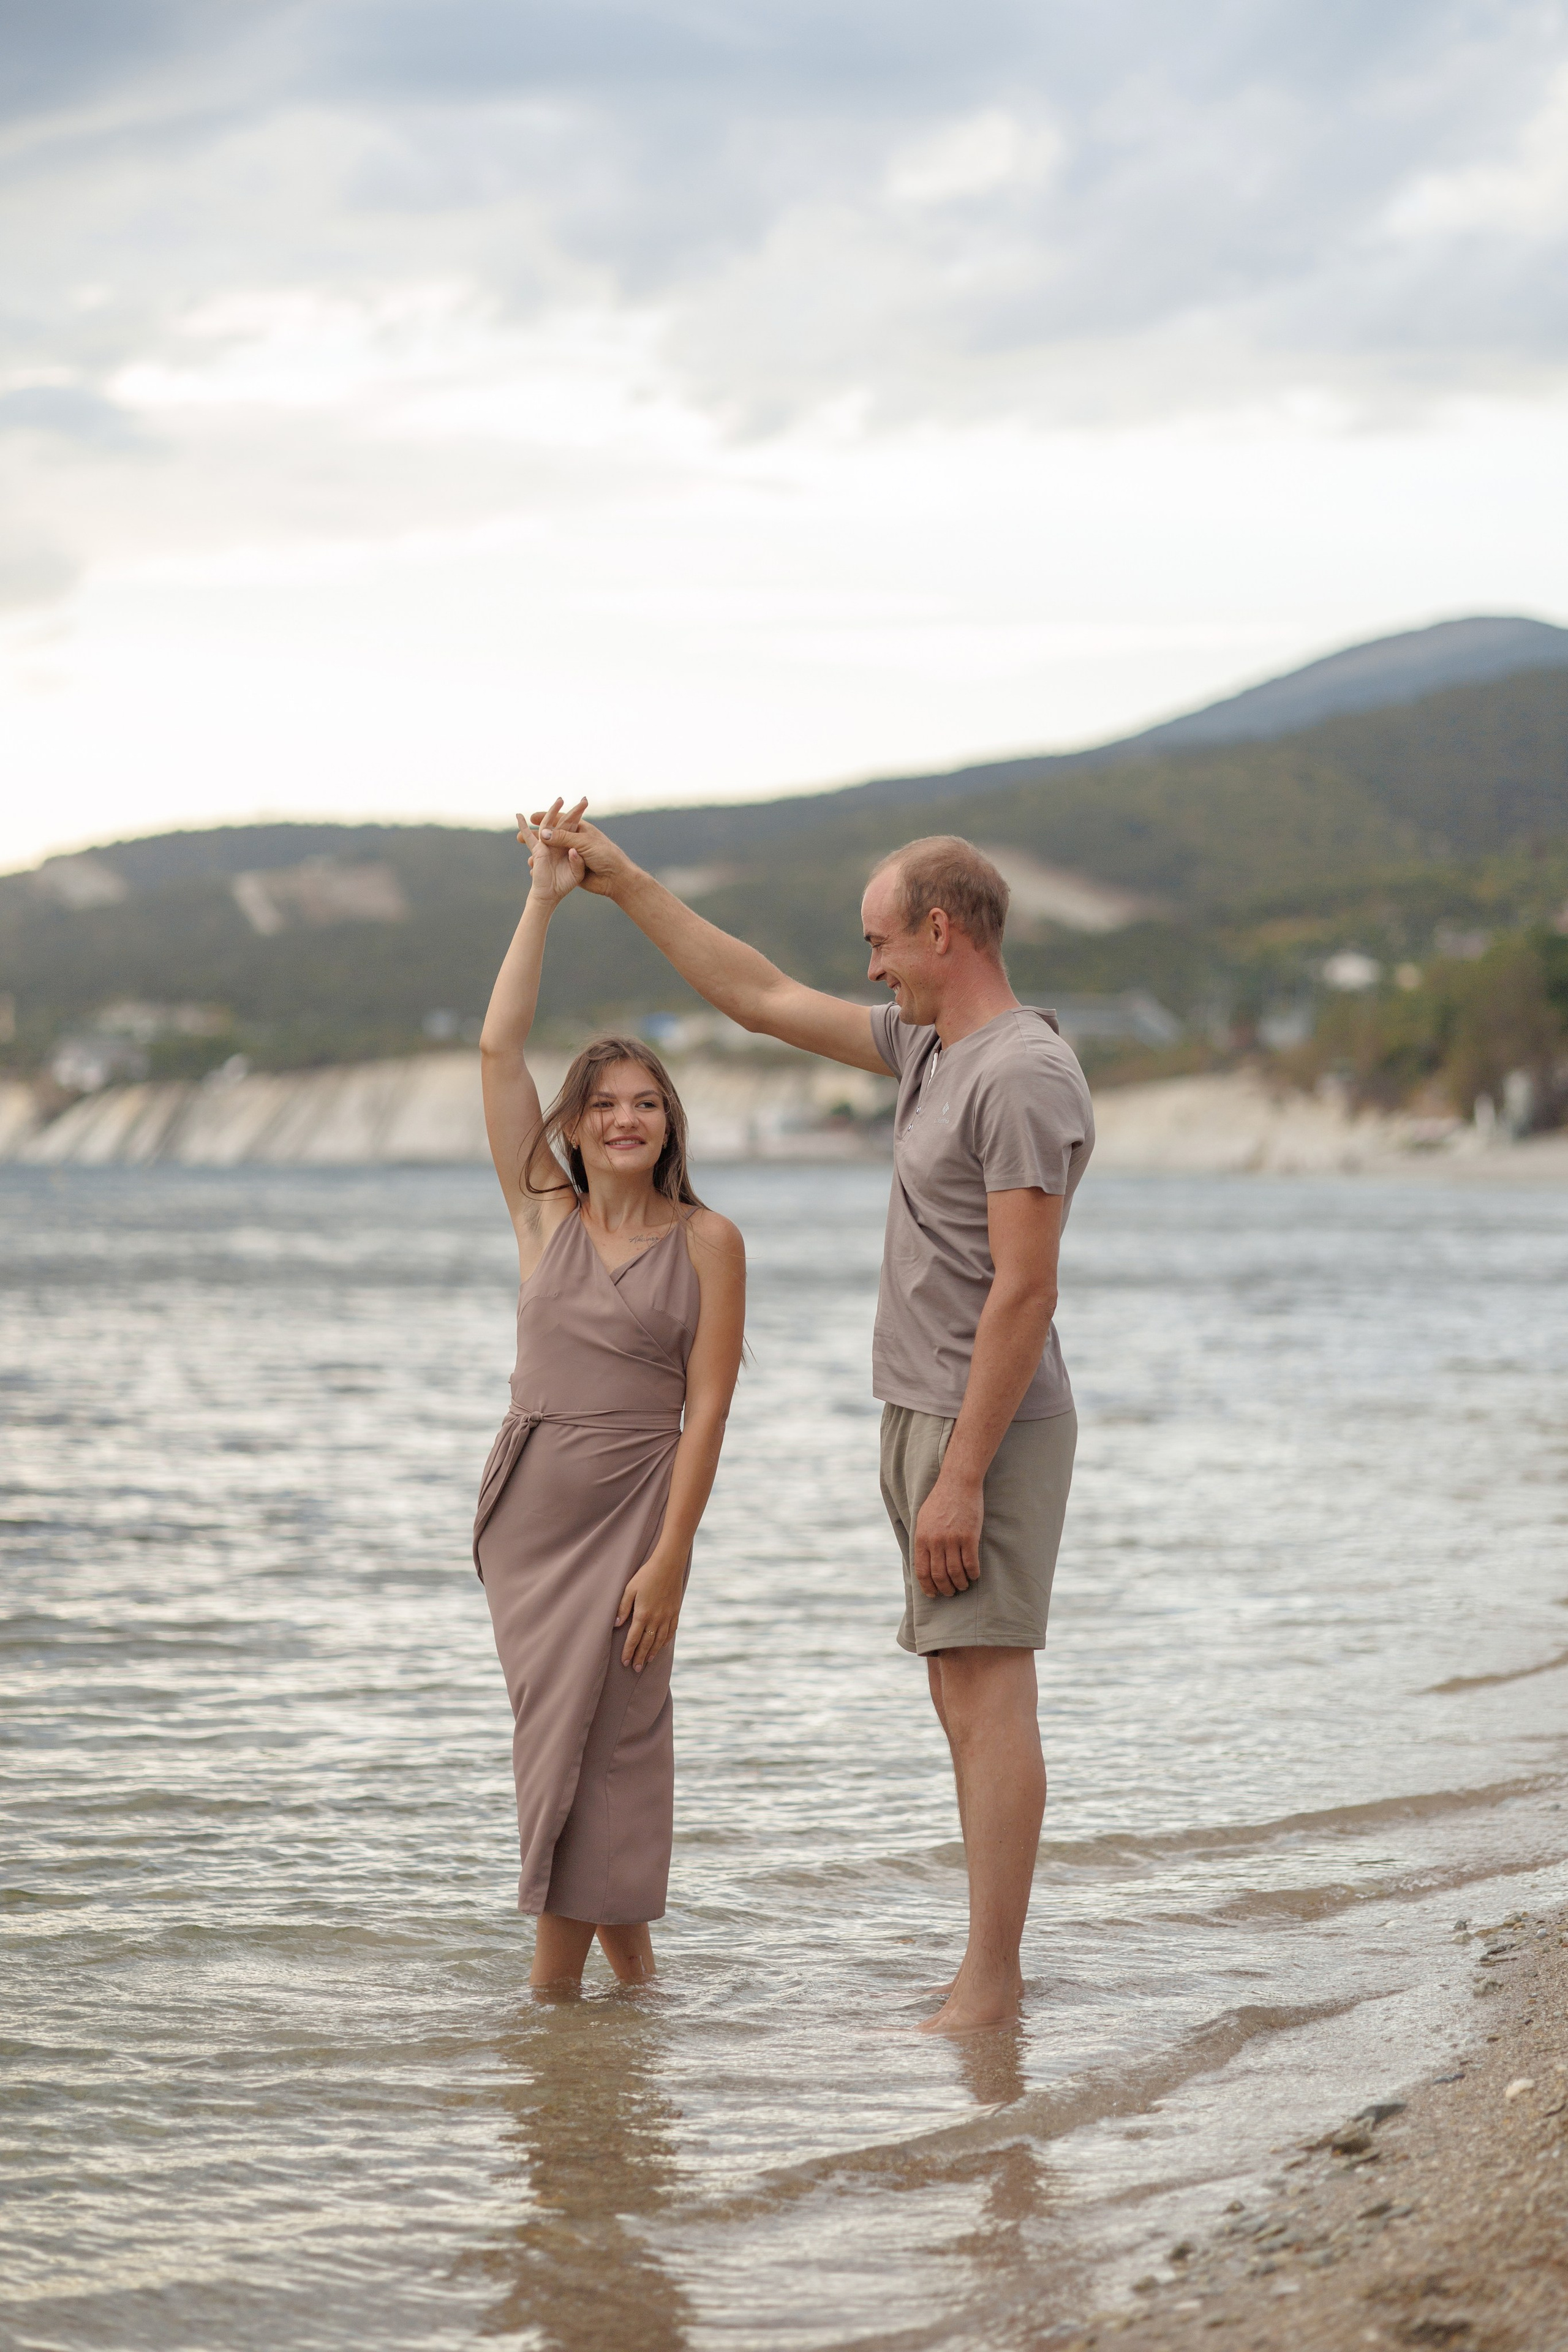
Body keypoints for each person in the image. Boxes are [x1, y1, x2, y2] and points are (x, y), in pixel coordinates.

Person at [532, 810, 1093, 2034]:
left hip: (977, 1430)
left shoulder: (1019, 1073)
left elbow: (1026, 1287)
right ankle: (979, 1971)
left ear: (939, 931)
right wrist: (622, 885)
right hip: (927, 1415)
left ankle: (989, 1986)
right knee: (958, 1690)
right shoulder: (933, 1051)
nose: (869, 966)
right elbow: (758, 997)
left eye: (881, 941)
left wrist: (961, 1475)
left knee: (990, 1692)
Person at [473, 798, 746, 1991]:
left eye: (645, 1102)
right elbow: (496, 1052)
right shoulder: (544, 1215)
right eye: (602, 1104)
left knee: (619, 1739)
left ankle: (552, 2011)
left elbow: (710, 1407)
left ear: (666, 1122)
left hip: (641, 1506)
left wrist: (673, 1552)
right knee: (571, 1740)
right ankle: (629, 1998)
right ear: (573, 1129)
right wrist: (541, 897)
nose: (624, 1118)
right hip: (533, 1513)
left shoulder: (711, 1242)